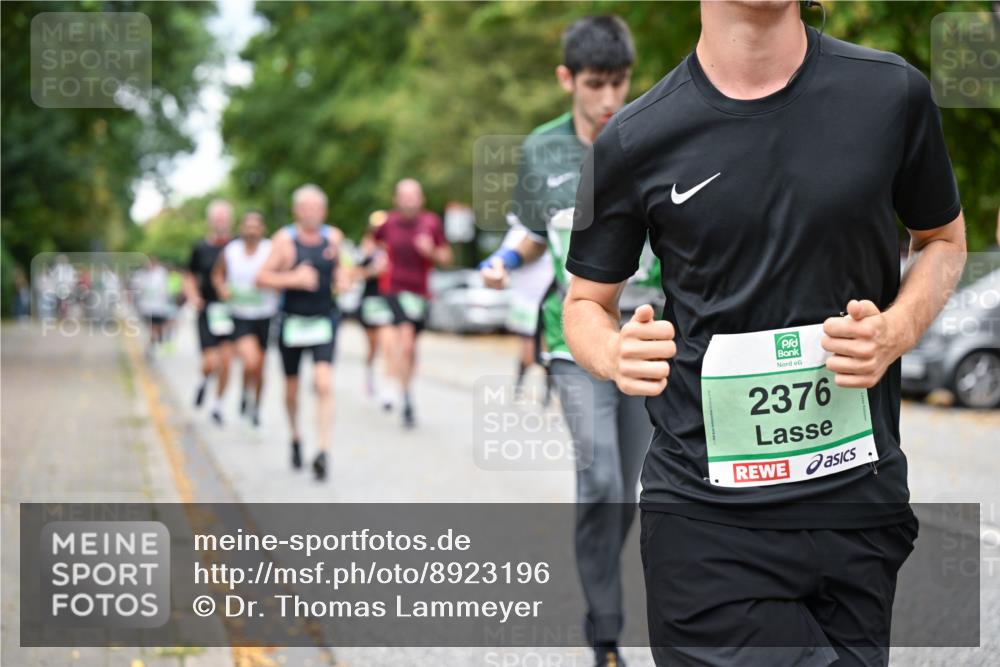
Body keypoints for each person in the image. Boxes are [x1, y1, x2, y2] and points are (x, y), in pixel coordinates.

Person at [563, 2, 967, 665]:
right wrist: (612, 351)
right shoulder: (633, 139)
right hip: (704, 512)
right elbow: (585, 301)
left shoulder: (892, 93)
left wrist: (897, 328)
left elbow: (944, 241)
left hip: (856, 504)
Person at [479, 16, 659, 667]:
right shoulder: (541, 150)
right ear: (567, 80)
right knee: (601, 474)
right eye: (595, 84)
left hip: (645, 337)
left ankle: (603, 578)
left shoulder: (650, 136)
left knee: (628, 488)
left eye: (619, 82)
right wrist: (503, 259)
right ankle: (605, 631)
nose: (609, 98)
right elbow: (532, 232)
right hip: (572, 336)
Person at [257, 184, 343, 481]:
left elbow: (341, 271)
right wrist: (293, 279)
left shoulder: (334, 238)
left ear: (324, 211)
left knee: (323, 382)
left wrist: (345, 281)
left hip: (324, 320)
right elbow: (261, 277)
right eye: (305, 207)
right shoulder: (284, 240)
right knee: (292, 389)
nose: (310, 213)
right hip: (292, 321)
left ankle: (323, 450)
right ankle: (295, 435)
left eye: (315, 207)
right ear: (296, 211)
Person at [373, 178, 452, 428]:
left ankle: (406, 389)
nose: (409, 201)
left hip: (421, 294)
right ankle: (403, 395)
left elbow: (446, 257)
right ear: (396, 200)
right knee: (404, 340)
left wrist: (431, 251)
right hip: (394, 288)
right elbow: (372, 245)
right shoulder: (387, 223)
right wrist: (377, 260)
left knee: (410, 349)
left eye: (413, 196)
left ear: (421, 199)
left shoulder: (431, 222)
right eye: (404, 196)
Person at [212, 211, 278, 427]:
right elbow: (217, 274)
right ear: (241, 228)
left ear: (262, 229)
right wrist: (222, 288)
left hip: (266, 315)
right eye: (247, 226)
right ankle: (243, 393)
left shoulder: (271, 250)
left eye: (255, 226)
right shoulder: (231, 250)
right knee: (250, 360)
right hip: (240, 315)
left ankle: (255, 404)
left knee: (259, 367)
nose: (251, 230)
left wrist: (274, 283)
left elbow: (282, 272)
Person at [185, 199, 235, 425]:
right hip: (207, 309)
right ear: (210, 221)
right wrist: (193, 296)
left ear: (230, 220)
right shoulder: (200, 248)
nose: (220, 222)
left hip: (231, 310)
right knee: (210, 362)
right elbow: (189, 275)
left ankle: (218, 405)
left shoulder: (236, 247)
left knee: (226, 361)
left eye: (224, 218)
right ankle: (203, 381)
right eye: (217, 218)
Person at [497, 222, 554, 399]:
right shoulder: (519, 231)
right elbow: (505, 257)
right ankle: (520, 385)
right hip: (527, 301)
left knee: (548, 348)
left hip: (550, 300)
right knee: (529, 349)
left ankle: (547, 391)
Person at [356, 211, 391, 397]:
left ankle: (387, 386)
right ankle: (369, 375)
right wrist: (373, 271)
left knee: (387, 344)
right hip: (370, 300)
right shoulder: (367, 245)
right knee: (373, 346)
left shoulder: (393, 244)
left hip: (388, 299)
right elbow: (356, 273)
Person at [134, 256, 174, 357]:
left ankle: (153, 343)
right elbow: (137, 289)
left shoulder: (161, 273)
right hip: (146, 308)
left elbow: (166, 289)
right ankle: (150, 345)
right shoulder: (141, 275)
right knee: (151, 328)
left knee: (157, 327)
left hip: (159, 307)